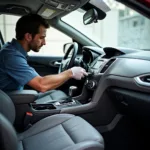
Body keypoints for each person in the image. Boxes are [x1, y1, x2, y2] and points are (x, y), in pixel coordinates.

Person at [0, 14, 88, 93]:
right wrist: (70, 73)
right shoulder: (12, 56)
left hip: (14, 98)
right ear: (28, 36)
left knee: (56, 93)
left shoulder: (12, 50)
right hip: (10, 103)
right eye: (41, 38)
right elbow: (41, 85)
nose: (44, 43)